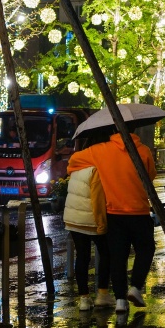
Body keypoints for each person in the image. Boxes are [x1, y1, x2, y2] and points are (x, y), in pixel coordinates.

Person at [68, 128, 157, 314]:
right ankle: (135, 287)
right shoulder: (143, 150)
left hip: (114, 213)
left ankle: (120, 301)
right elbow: (150, 176)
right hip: (139, 210)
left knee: (118, 257)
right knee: (146, 248)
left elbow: (73, 162)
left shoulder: (100, 150)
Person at [63, 131, 114, 311]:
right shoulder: (96, 169)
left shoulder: (77, 165)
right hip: (90, 219)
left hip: (73, 219)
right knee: (106, 253)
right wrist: (102, 224)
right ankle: (102, 294)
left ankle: (84, 299)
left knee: (82, 257)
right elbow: (97, 200)